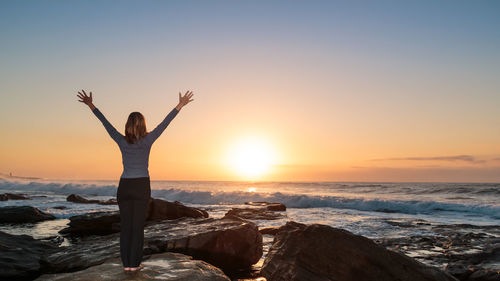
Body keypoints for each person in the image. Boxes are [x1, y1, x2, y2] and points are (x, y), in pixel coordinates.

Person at [77, 89, 194, 272]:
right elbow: (166, 123)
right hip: (141, 186)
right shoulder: (148, 140)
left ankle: (126, 266)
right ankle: (135, 265)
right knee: (137, 228)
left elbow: (105, 123)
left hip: (125, 186)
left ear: (127, 125)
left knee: (126, 228)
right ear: (143, 125)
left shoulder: (121, 140)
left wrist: (91, 105)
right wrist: (180, 105)